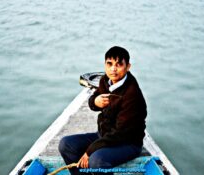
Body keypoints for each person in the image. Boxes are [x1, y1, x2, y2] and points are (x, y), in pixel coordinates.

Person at [58, 46, 147, 175]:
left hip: (128, 142)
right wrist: (95, 101)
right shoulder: (105, 80)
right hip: (104, 135)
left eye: (119, 64)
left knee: (96, 160)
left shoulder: (132, 94)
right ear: (105, 65)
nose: (113, 69)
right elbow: (93, 101)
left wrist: (90, 151)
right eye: (109, 64)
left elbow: (120, 133)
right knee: (66, 144)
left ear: (128, 67)